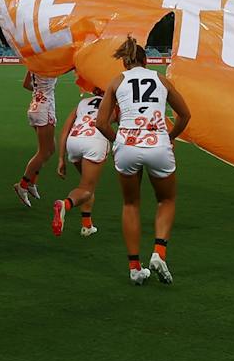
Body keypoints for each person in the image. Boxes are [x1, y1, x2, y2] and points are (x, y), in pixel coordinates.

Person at [94, 38, 190, 285]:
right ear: (146, 60)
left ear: (125, 62)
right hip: (157, 143)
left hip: (127, 145)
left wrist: (119, 140)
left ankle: (135, 268)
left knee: (130, 204)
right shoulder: (160, 79)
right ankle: (159, 252)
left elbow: (101, 123)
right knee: (166, 200)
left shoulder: (117, 81)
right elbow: (185, 115)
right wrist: (169, 137)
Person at [51, 83, 108, 238]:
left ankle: (86, 226)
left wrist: (61, 159)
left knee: (87, 184)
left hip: (74, 141)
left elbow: (65, 130)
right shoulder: (112, 103)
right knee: (86, 189)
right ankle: (65, 204)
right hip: (94, 141)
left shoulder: (83, 103)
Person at [13, 68, 59, 206]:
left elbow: (26, 84)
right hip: (45, 109)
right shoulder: (51, 64)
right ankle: (22, 185)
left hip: (35, 106)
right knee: (44, 152)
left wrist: (39, 92)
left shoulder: (34, 64)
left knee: (50, 149)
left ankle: (32, 182)